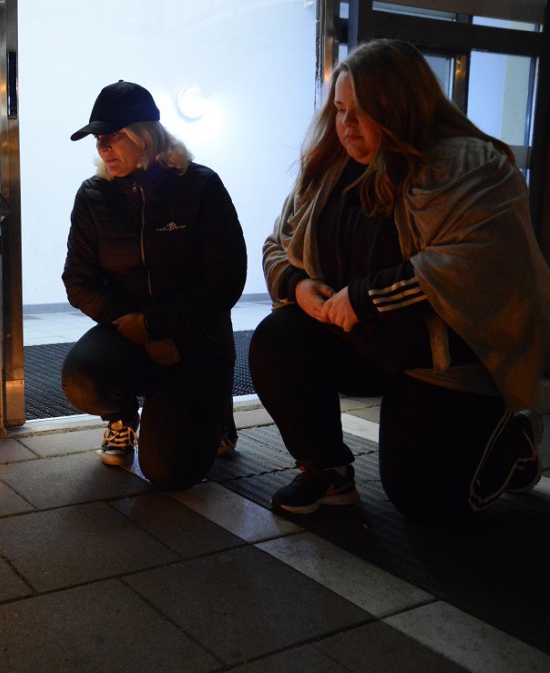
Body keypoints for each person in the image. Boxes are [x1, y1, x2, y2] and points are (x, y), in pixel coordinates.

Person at [249, 39, 550, 520]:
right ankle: (328, 471)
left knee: (427, 503)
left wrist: (365, 298)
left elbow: (480, 265)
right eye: (340, 109)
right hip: (360, 341)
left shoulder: (471, 165)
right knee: (279, 339)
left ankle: (512, 442)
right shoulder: (328, 168)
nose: (345, 126)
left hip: (442, 354)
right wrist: (296, 286)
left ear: (401, 106)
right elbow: (277, 244)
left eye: (362, 112)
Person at [61, 80, 247, 490]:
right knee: (83, 378)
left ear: (146, 137)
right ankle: (124, 415)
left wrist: (159, 324)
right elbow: (78, 280)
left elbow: (226, 279)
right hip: (131, 330)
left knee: (169, 473)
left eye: (114, 137)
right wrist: (142, 329)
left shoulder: (200, 186)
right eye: (97, 138)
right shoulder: (94, 195)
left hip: (195, 334)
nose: (102, 148)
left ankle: (212, 410)